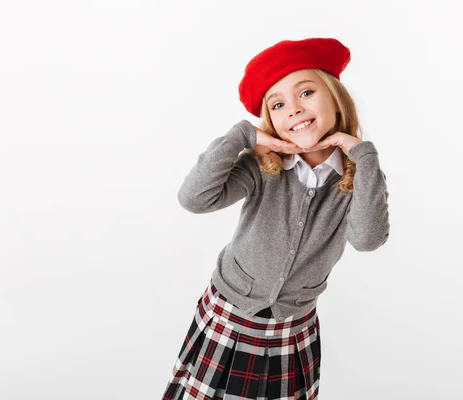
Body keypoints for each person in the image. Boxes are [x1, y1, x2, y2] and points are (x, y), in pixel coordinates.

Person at [162, 37, 390, 400]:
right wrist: (241, 136)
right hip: (231, 312)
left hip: (292, 324)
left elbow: (367, 238)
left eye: (306, 93)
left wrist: (364, 158)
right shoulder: (263, 167)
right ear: (271, 121)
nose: (294, 109)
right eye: (279, 104)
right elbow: (194, 199)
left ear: (336, 98)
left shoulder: (358, 178)